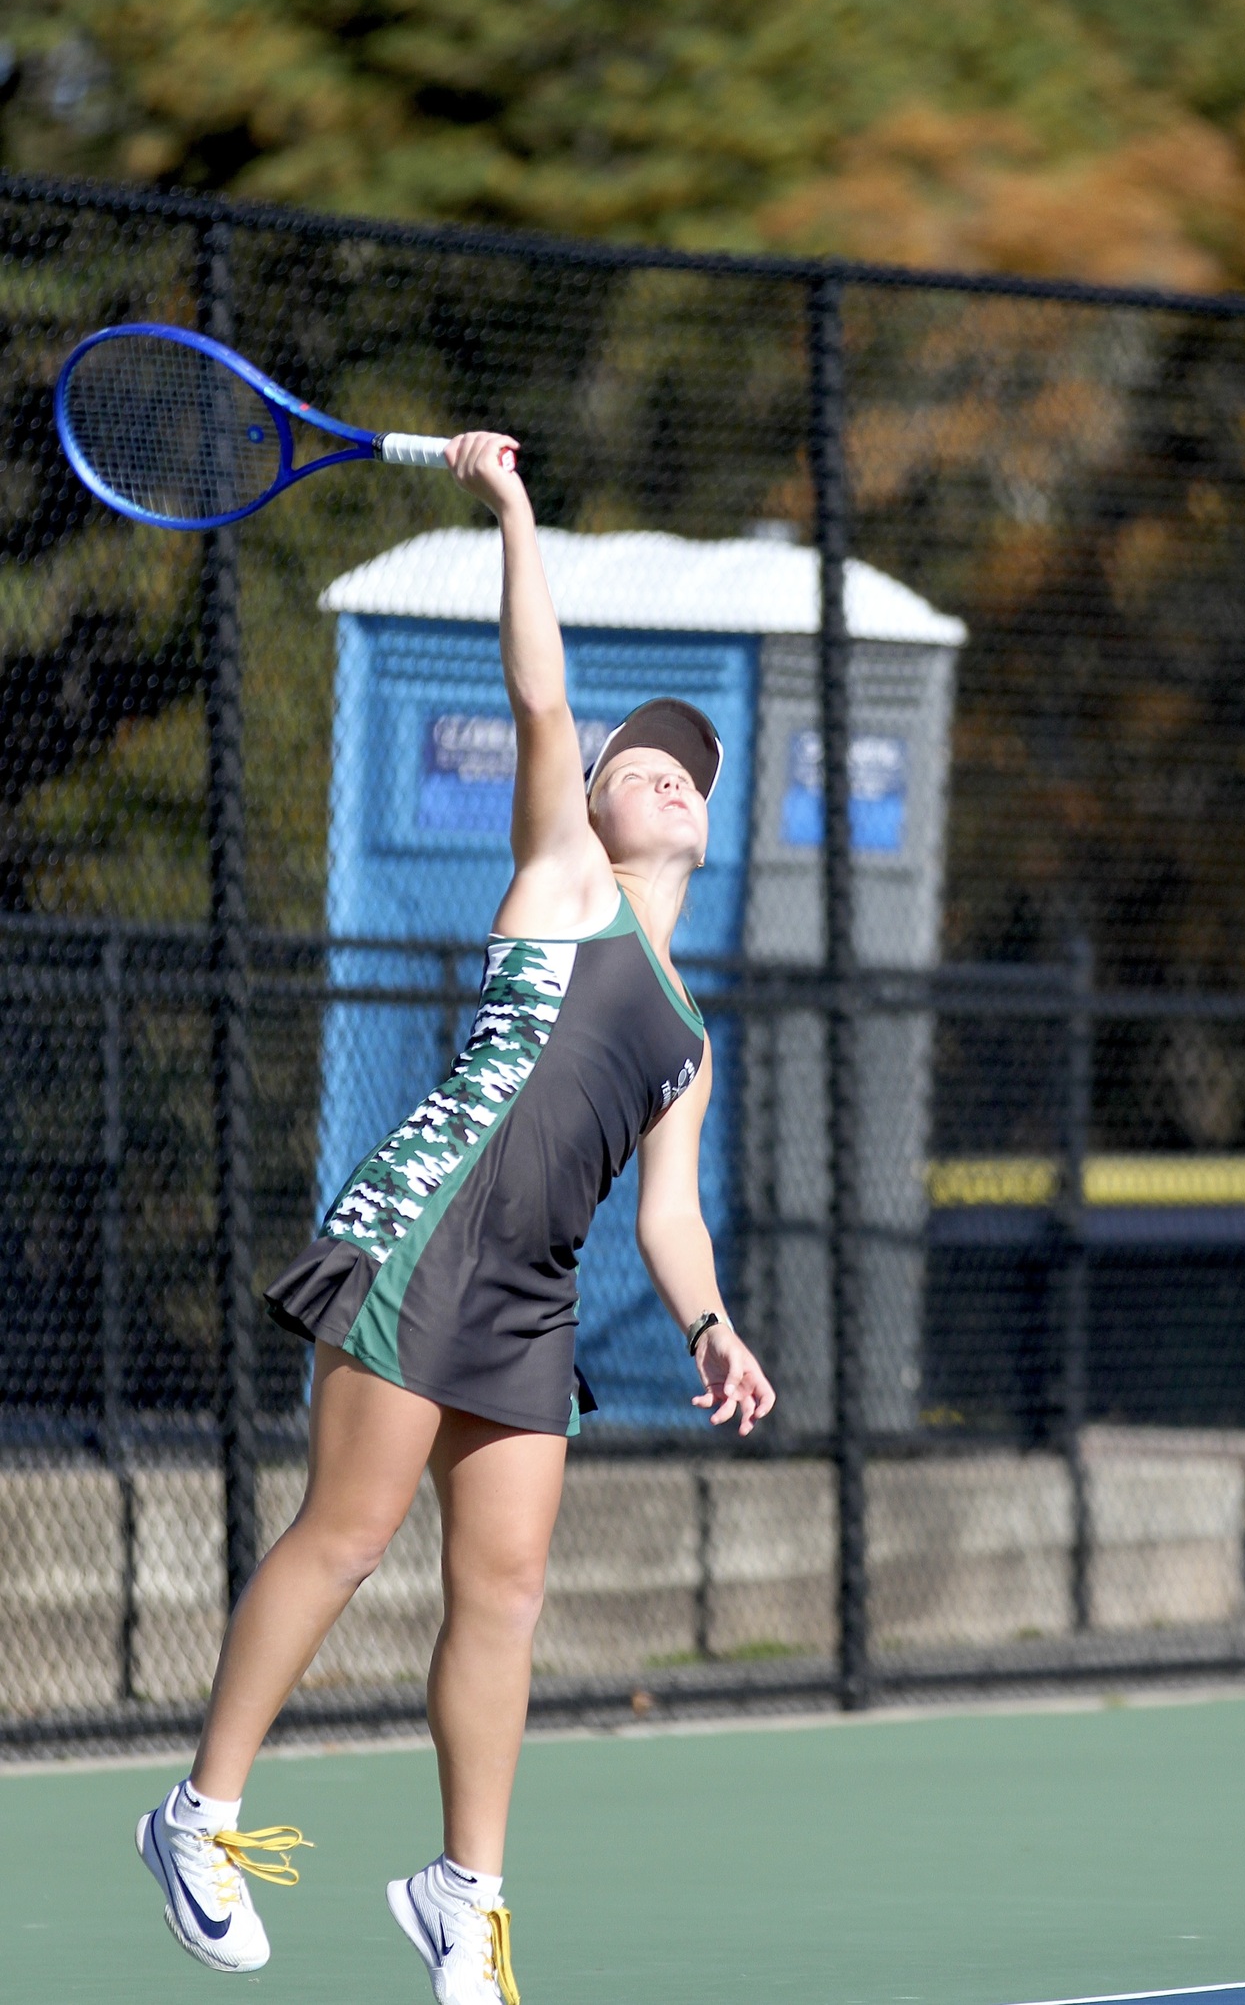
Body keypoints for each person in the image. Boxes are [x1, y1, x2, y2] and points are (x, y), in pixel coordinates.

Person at [134, 430, 777, 2005]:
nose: (668, 777)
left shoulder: (691, 1033)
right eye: (647, 762)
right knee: (347, 1535)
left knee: (505, 1589)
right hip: (423, 1233)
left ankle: (462, 1892)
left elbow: (668, 1219)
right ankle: (196, 1817)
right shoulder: (565, 882)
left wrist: (708, 1321)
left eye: (691, 772)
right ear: (599, 805)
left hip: (532, 1297)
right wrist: (513, 513)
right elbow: (546, 696)